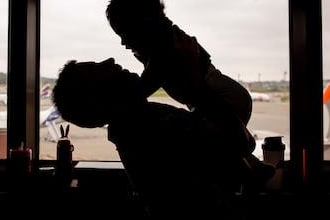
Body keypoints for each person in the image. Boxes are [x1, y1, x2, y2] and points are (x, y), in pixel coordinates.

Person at [105, 0, 273, 178]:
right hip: (221, 95)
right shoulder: (161, 41)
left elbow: (150, 80)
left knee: (218, 145)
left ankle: (247, 171)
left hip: (222, 97)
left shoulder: (164, 44)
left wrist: (132, 96)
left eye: (125, 34)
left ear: (144, 22)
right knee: (222, 148)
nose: (124, 43)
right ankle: (252, 168)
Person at [52, 58, 251, 218]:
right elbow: (241, 141)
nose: (110, 60)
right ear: (96, 101)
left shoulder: (135, 126)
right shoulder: (150, 126)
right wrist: (194, 82)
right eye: (98, 69)